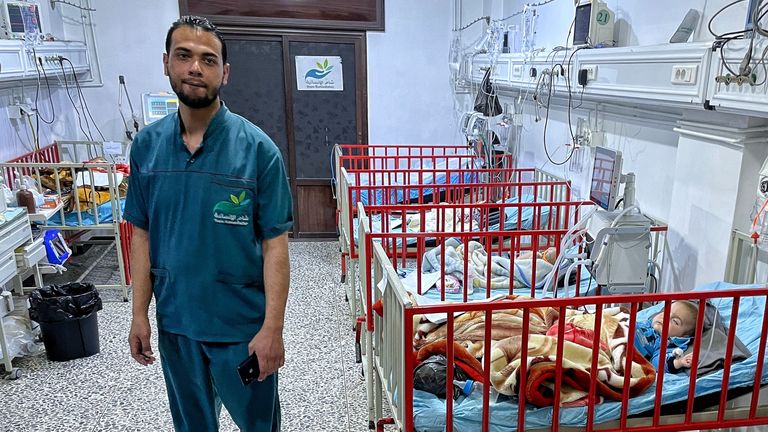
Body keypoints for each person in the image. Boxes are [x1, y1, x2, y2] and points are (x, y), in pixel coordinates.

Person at [124, 15, 293, 432]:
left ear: (225, 72)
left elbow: (276, 246)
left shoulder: (258, 151)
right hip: (178, 323)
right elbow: (141, 235)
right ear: (167, 63)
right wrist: (140, 315)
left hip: (240, 328)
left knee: (259, 425)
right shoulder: (147, 147)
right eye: (184, 56)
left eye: (208, 59)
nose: (195, 68)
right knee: (191, 425)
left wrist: (272, 329)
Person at [634, 300, 698, 373]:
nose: (665, 317)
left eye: (675, 321)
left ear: (683, 336)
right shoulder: (644, 323)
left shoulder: (667, 344)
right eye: (665, 312)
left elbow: (656, 363)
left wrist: (678, 362)